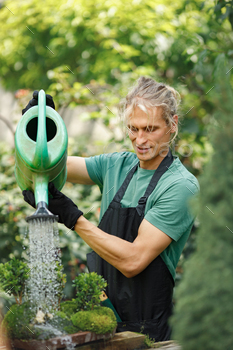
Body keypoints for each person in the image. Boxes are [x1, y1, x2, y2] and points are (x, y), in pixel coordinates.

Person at [23, 77, 199, 341]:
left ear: (172, 125)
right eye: (133, 129)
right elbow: (46, 165)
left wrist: (74, 218)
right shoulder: (115, 166)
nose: (140, 139)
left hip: (147, 336)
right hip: (100, 323)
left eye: (150, 129)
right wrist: (37, 132)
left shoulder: (180, 186)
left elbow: (133, 261)